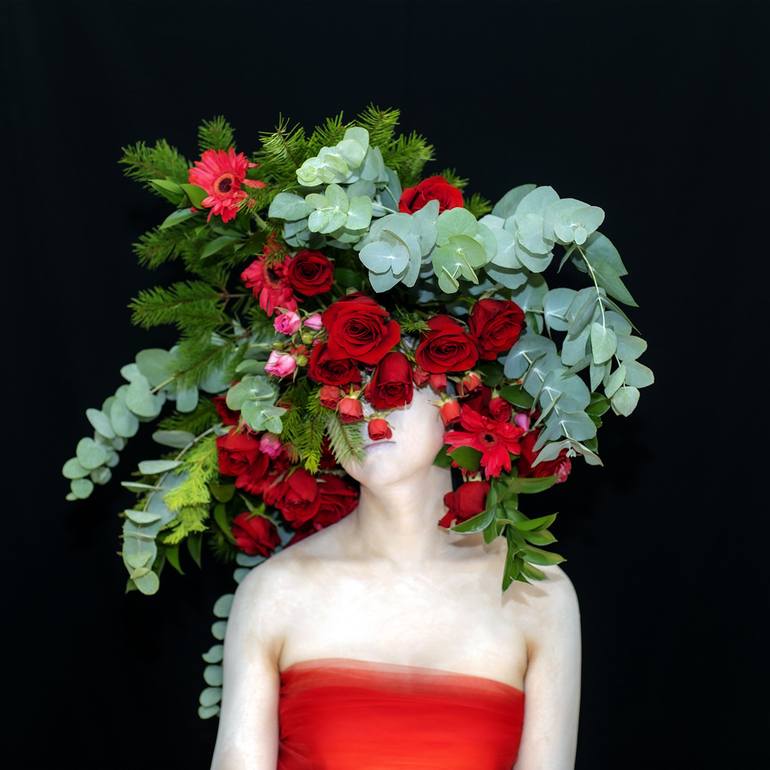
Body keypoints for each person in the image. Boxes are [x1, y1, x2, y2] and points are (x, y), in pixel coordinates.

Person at [209, 381, 582, 770]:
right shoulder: (275, 592)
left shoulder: (535, 592)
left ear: (461, 391)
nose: (364, 407)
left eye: (394, 377)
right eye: (344, 382)